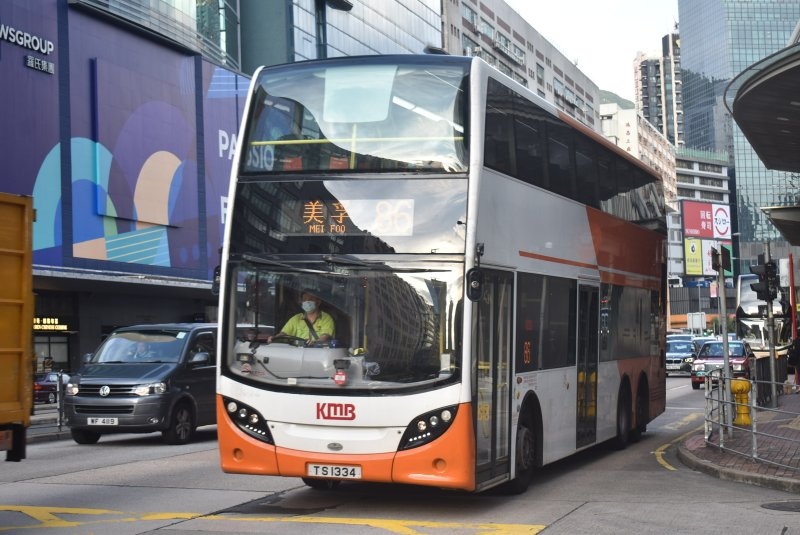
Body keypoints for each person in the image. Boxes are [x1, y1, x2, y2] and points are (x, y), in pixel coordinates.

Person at [269, 289, 335, 346]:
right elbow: (284, 333)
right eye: (304, 300)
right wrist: (274, 338)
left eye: (311, 299)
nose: (307, 302)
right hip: (298, 352)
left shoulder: (326, 318)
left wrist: (315, 342)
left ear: (318, 302)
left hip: (318, 352)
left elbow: (326, 336)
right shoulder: (296, 318)